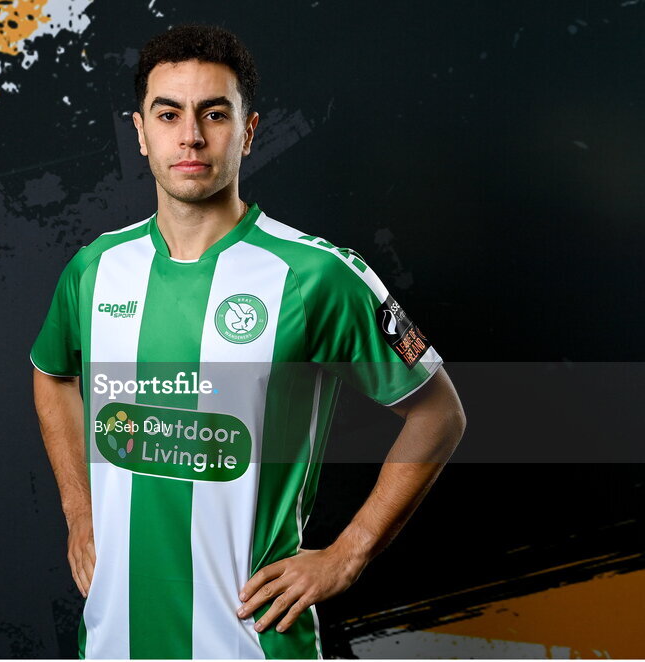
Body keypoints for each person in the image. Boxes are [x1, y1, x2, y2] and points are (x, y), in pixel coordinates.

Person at [30, 23, 466, 660]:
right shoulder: (95, 268)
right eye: (168, 113)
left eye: (214, 113)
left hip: (252, 642)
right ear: (140, 132)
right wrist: (78, 512)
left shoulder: (317, 275)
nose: (191, 136)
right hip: (114, 639)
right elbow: (52, 373)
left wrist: (349, 554)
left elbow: (438, 414)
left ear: (249, 130)